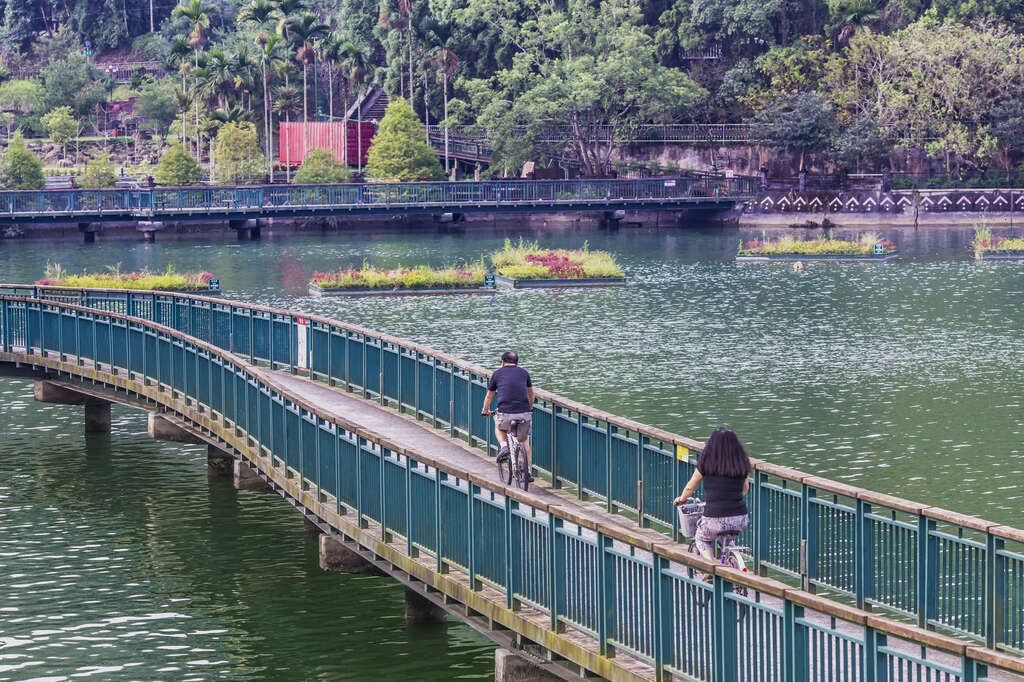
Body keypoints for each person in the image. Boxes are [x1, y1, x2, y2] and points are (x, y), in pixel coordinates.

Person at [673, 428, 751, 560]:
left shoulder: (706, 462)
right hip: (740, 518)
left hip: (714, 518)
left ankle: (711, 567)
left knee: (701, 539)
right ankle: (733, 563)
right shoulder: (742, 462)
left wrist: (681, 499)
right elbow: (745, 489)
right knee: (726, 540)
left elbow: (690, 487)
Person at [481, 351, 535, 482]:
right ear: (516, 362)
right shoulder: (524, 373)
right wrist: (530, 407)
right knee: (524, 441)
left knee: (499, 426)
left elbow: (489, 396)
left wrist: (485, 410)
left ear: (502, 362)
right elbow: (531, 393)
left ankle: (504, 446)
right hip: (524, 413)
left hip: (505, 413)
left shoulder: (497, 374)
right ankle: (527, 471)